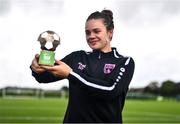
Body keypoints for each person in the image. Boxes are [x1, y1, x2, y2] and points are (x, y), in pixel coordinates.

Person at [30, 9, 135, 123]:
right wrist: (37, 67)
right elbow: (44, 77)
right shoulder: (77, 57)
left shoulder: (125, 62)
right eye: (87, 32)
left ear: (110, 32)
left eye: (96, 31)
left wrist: (71, 74)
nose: (91, 36)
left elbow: (110, 90)